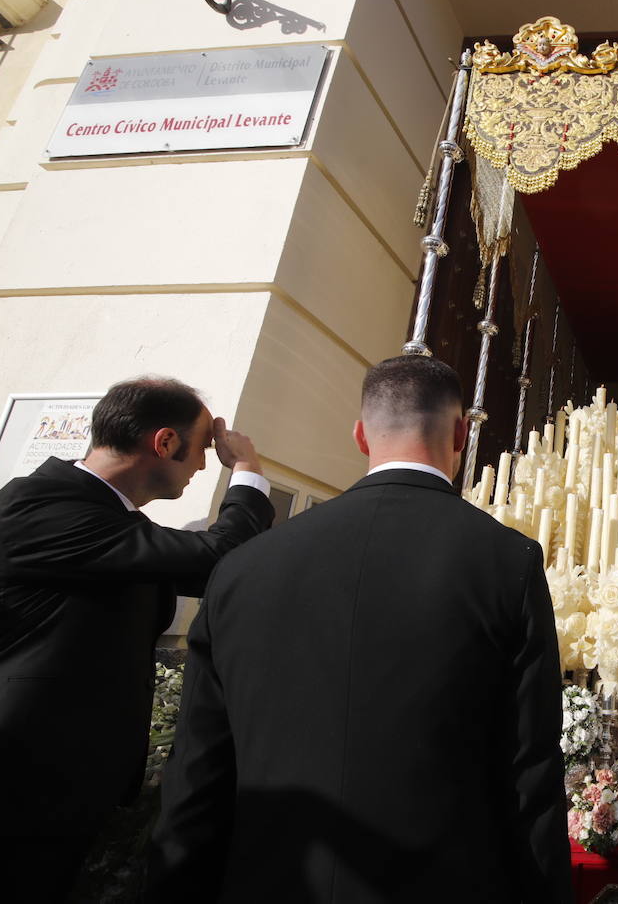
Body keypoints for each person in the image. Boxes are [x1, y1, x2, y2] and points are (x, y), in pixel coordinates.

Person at [148, 355, 570, 903]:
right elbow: (529, 769)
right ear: (462, 433)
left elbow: (198, 771)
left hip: (269, 882)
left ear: (360, 437)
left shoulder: (244, 567)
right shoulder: (506, 562)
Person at [0, 376, 274, 901]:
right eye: (201, 450)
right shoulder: (43, 507)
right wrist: (250, 472)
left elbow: (206, 571)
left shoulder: (103, 519)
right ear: (164, 443)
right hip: (17, 778)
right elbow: (218, 560)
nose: (202, 466)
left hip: (58, 783)